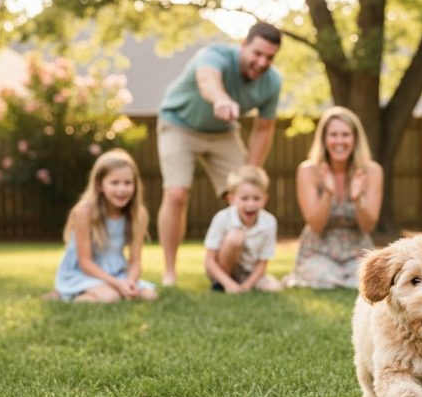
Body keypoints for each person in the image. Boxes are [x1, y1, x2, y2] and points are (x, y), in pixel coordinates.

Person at [156, 21, 283, 286]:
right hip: (178, 123)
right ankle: (169, 271)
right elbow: (207, 80)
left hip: (223, 133)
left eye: (269, 57)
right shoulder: (214, 55)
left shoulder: (272, 82)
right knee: (177, 193)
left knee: (246, 196)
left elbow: (263, 129)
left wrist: (252, 170)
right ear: (243, 46)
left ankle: (236, 271)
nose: (262, 62)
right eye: (257, 54)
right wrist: (221, 99)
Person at [286, 106, 383, 289]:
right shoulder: (308, 171)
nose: (339, 141)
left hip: (357, 250)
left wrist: (358, 198)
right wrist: (328, 194)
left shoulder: (372, 171)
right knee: (324, 278)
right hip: (318, 250)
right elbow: (316, 224)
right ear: (324, 139)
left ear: (355, 139)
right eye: (333, 135)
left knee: (360, 281)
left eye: (345, 134)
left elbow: (368, 225)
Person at [52, 149, 157, 302]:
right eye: (114, 183)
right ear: (100, 185)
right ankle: (69, 295)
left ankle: (101, 291)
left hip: (117, 273)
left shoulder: (139, 215)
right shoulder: (84, 212)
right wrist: (117, 285)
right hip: (83, 273)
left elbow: (135, 260)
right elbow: (85, 263)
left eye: (127, 183)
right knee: (110, 296)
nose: (121, 189)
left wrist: (130, 282)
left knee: (150, 295)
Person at [203, 165, 282, 293]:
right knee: (235, 237)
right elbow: (209, 261)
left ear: (265, 198)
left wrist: (247, 286)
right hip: (221, 271)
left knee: (275, 287)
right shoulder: (222, 218)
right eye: (244, 199)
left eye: (256, 198)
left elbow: (263, 263)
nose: (250, 204)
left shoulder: (269, 222)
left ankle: (239, 284)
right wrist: (228, 284)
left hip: (248, 274)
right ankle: (221, 284)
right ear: (231, 199)